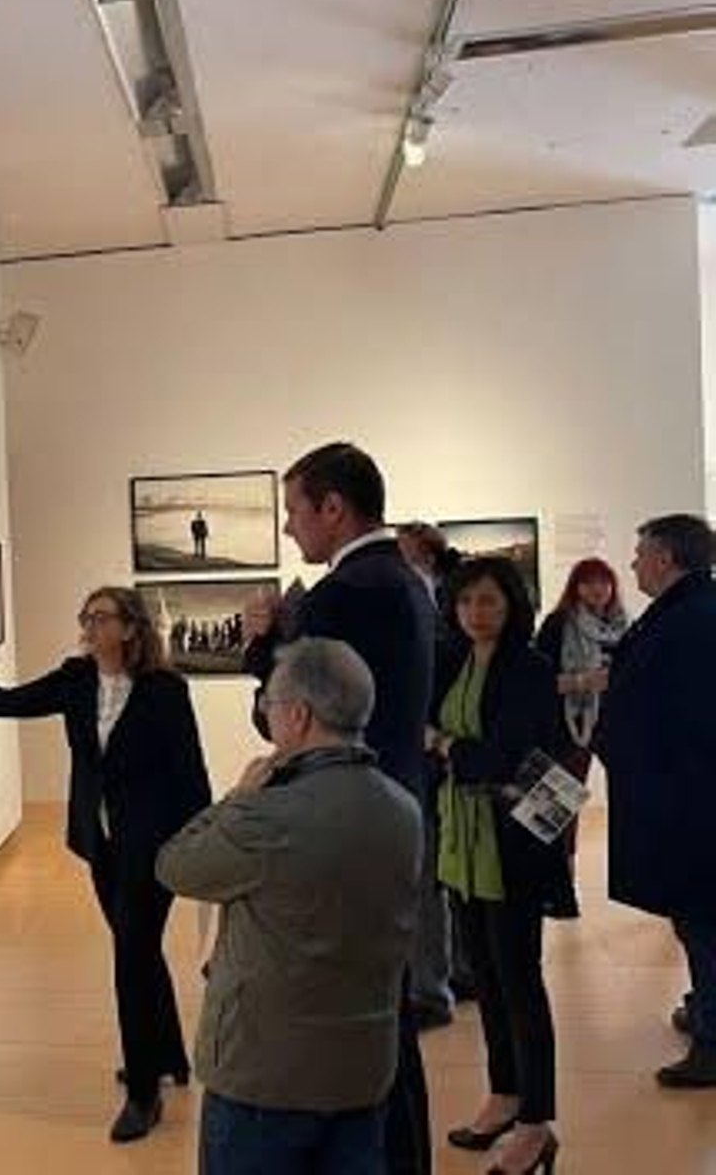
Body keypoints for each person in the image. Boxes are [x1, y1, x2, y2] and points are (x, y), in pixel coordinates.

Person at [0, 585, 212, 1141]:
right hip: (101, 844)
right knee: (137, 946)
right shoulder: (75, 679)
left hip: (152, 847)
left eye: (101, 619)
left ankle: (143, 1093)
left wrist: (203, 843)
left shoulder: (165, 690)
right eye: (86, 618)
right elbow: (15, 702)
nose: (89, 628)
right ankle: (168, 1053)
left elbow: (190, 770)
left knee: (130, 957)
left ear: (129, 628)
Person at [242, 441, 436, 1175]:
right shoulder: (406, 579)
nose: (290, 528)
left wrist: (262, 643)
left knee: (359, 1023)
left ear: (333, 507)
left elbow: (283, 717)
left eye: (295, 509)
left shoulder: (345, 593)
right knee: (384, 1014)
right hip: (390, 810)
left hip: (342, 826)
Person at [157, 638, 421, 1174]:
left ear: (298, 716)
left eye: (269, 704)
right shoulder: (403, 808)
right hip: (363, 1069)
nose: (266, 713)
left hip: (265, 1077)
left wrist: (239, 798)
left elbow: (175, 865)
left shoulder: (268, 817)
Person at [430, 556, 571, 1175]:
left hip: (512, 845)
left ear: (511, 604)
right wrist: (453, 753)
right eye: (464, 603)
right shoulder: (453, 662)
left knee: (519, 982)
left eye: (487, 601)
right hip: (462, 841)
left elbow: (499, 757)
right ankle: (505, 1094)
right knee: (484, 977)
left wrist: (442, 743)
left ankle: (537, 1123)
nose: (475, 614)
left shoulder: (531, 668)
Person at [595, 514, 716, 1089]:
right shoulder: (687, 614)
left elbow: (674, 714)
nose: (635, 563)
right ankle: (706, 1008)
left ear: (666, 558)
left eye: (641, 553)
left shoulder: (687, 621)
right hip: (684, 797)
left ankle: (714, 1040)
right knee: (698, 916)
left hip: (688, 801)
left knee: (702, 917)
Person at [397, 520, 472, 1024]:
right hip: (439, 762)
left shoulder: (438, 619)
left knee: (430, 878)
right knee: (445, 874)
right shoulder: (441, 615)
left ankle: (430, 988)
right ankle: (458, 974)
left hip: (435, 761)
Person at [533, 558, 629, 787]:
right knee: (563, 802)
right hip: (568, 726)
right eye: (588, 582)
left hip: (613, 721)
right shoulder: (558, 623)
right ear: (575, 587)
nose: (598, 589)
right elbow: (539, 682)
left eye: (604, 582)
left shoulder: (623, 626)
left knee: (624, 790)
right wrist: (583, 681)